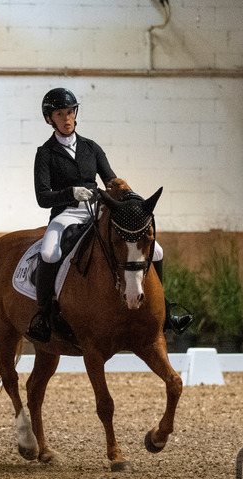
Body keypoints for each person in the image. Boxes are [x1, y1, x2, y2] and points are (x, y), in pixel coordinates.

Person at [28, 88, 190, 342]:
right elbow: (42, 197)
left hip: (99, 211)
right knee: (49, 252)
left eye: (70, 112)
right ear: (50, 119)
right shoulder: (45, 153)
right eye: (60, 114)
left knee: (156, 251)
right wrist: (71, 193)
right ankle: (43, 315)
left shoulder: (91, 148)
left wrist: (128, 194)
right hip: (67, 214)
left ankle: (165, 309)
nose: (67, 118)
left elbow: (111, 181)